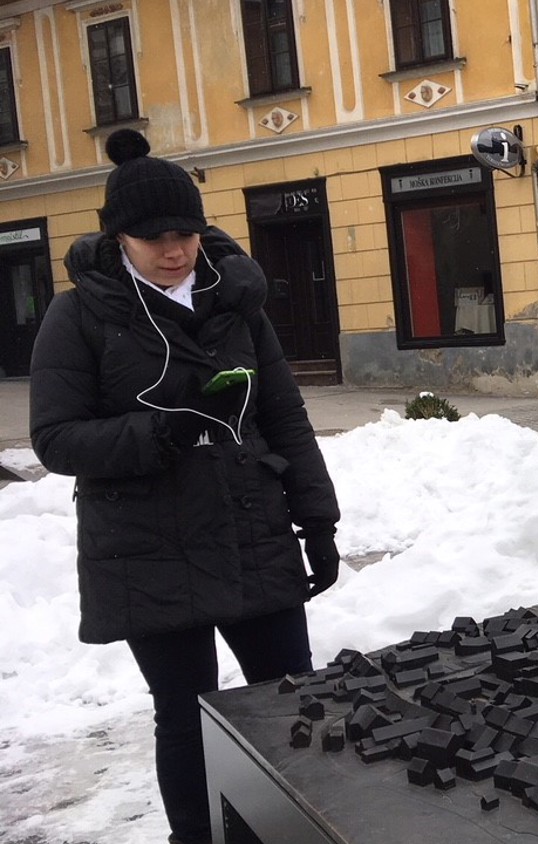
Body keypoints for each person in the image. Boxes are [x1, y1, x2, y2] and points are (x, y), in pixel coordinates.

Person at [29, 129, 342, 844]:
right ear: (118, 238)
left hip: (247, 527)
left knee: (292, 695)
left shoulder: (237, 302)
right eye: (154, 237)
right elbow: (54, 438)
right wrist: (156, 434)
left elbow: (284, 416)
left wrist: (317, 520)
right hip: (148, 547)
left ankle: (307, 829)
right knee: (185, 711)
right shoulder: (78, 316)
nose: (174, 250)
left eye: (186, 234)